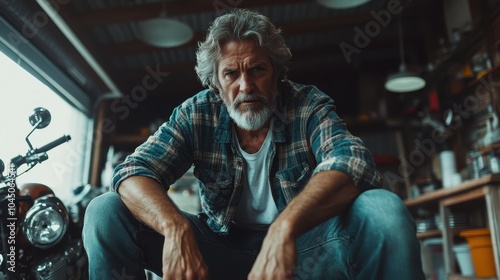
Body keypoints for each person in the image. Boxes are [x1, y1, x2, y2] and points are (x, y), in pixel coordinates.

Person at [83, 8, 425, 280]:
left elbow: (352, 162)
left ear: (277, 73)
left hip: (303, 250)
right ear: (216, 84)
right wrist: (174, 229)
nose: (246, 86)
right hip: (219, 252)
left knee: (384, 209)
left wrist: (284, 227)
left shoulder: (305, 104)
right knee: (104, 211)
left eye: (257, 69)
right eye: (231, 74)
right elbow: (132, 170)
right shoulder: (197, 112)